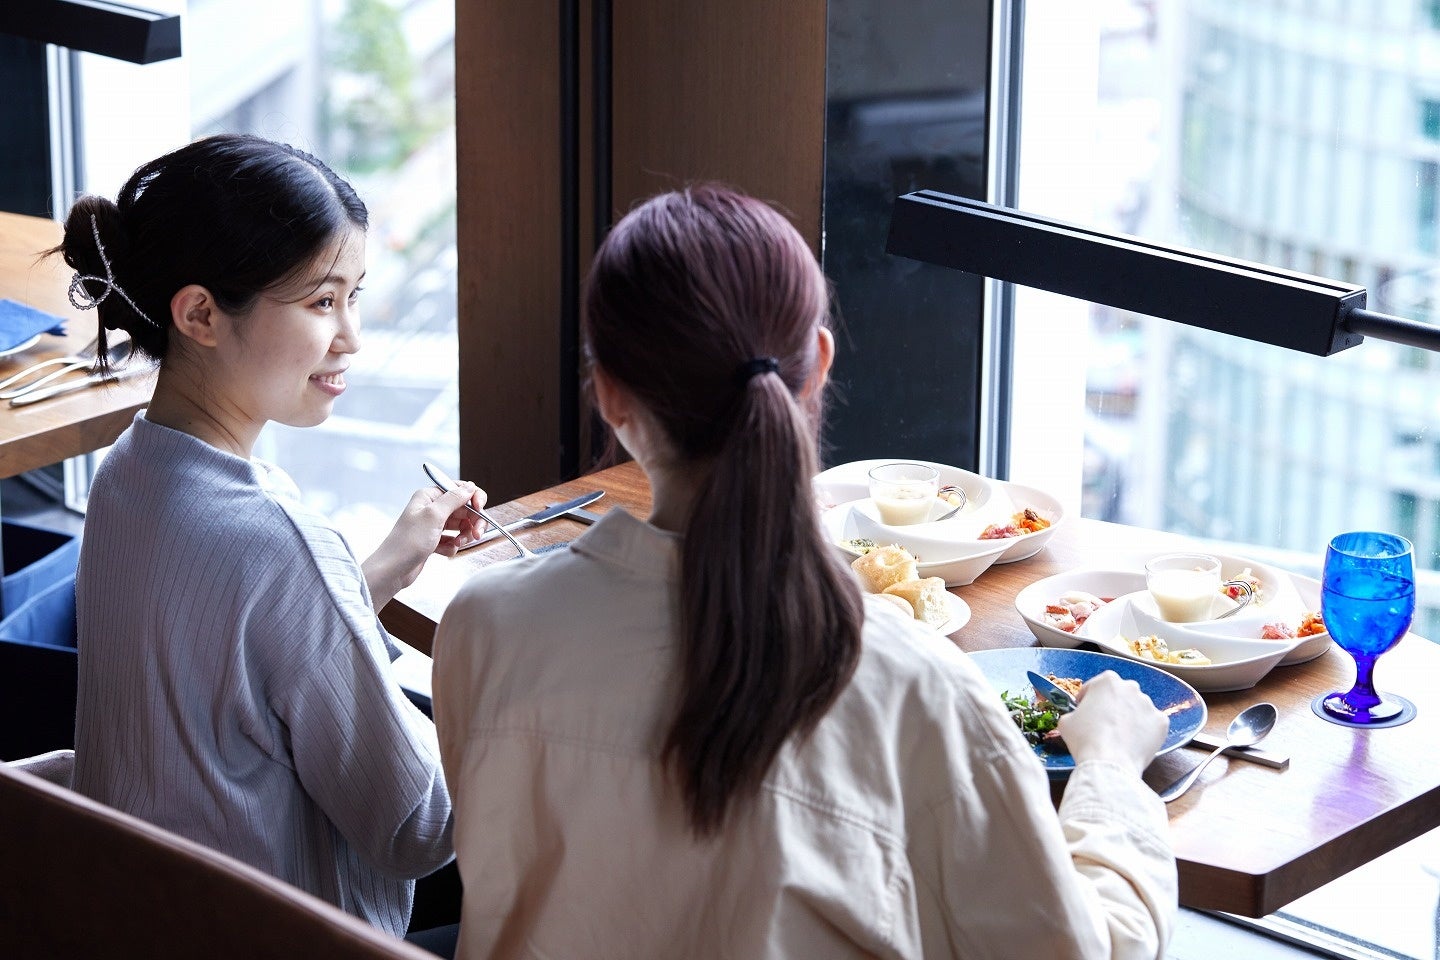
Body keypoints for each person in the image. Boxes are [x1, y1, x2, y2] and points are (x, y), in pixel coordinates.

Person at [430, 184, 1177, 959]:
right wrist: (1110, 766)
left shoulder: (484, 627)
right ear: (817, 364)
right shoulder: (915, 688)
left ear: (611, 396)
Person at [60, 133, 483, 940]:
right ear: (200, 314)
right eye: (323, 302)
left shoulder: (127, 475)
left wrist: (380, 570)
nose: (351, 336)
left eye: (354, 297)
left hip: (138, 921)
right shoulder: (278, 539)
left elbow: (241, 656)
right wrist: (510, 692)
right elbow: (417, 829)